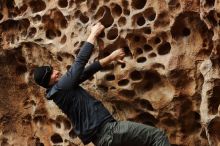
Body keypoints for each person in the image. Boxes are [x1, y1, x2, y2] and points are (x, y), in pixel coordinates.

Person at [33, 22, 170, 146]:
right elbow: (80, 62)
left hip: (102, 141)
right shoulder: (61, 87)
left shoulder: (60, 92)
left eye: (53, 69)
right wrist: (93, 33)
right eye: (51, 73)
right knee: (158, 137)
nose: (56, 72)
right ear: (48, 82)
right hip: (110, 132)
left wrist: (111, 58)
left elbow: (85, 73)